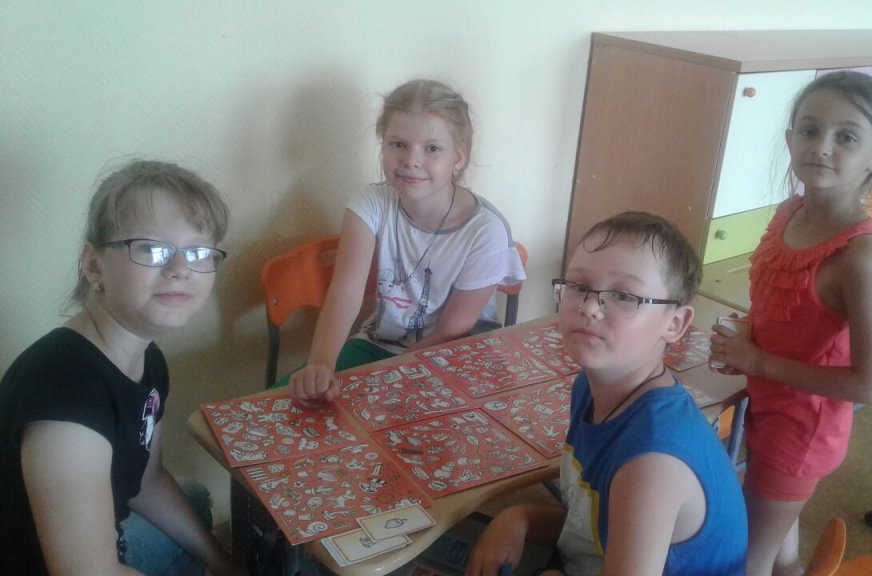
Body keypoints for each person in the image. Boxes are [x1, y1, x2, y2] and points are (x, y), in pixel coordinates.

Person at [467, 212, 748, 576]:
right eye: (579, 286)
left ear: (675, 324)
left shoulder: (653, 462)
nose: (588, 307)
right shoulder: (590, 387)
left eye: (623, 295)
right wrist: (519, 518)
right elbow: (592, 523)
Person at [0, 160, 242, 576]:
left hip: (103, 541)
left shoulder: (147, 358)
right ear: (94, 266)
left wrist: (226, 565)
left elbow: (147, 482)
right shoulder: (66, 396)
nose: (180, 269)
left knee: (193, 499)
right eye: (151, 248)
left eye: (198, 252)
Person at [708, 71, 872, 576]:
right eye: (810, 130)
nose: (822, 146)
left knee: (744, 560)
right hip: (768, 405)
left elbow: (871, 385)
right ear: (791, 139)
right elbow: (784, 307)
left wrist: (758, 360)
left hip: (800, 433)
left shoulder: (858, 255)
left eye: (847, 136)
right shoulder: (789, 211)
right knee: (779, 546)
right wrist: (748, 335)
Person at [288, 78, 525, 402]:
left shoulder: (486, 231)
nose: (412, 160)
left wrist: (386, 384)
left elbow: (453, 331)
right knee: (294, 409)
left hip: (458, 360)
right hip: (378, 348)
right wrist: (321, 363)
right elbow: (346, 290)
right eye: (398, 144)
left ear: (458, 158)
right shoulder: (369, 204)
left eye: (432, 148)